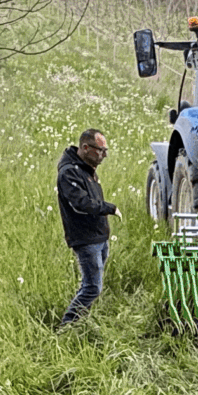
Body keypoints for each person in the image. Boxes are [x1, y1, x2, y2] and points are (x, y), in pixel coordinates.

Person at [56, 129, 120, 327]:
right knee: (92, 288)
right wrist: (110, 208)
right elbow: (82, 204)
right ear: (85, 148)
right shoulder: (69, 173)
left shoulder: (86, 167)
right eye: (101, 150)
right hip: (86, 239)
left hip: (98, 237)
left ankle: (80, 321)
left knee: (91, 285)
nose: (104, 155)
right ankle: (66, 327)